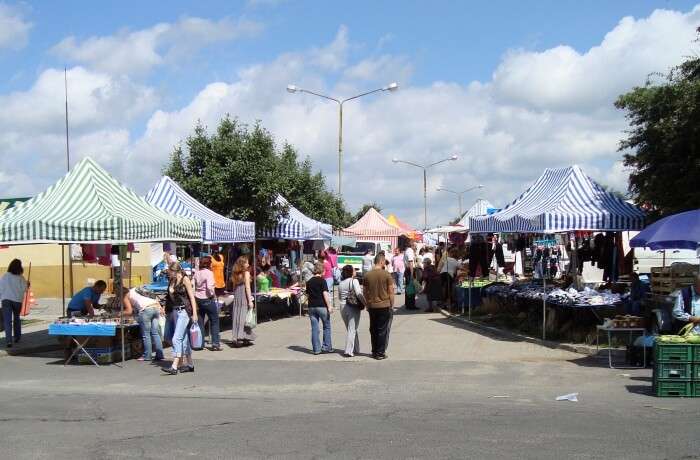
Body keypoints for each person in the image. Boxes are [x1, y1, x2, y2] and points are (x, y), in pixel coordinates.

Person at [162, 262, 198, 375]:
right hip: (175, 311)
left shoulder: (184, 279)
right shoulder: (172, 280)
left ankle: (175, 365)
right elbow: (169, 297)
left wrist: (195, 313)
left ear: (176, 271)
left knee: (176, 338)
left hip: (184, 311)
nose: (169, 273)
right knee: (183, 338)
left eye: (170, 271)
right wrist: (164, 308)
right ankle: (190, 364)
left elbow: (192, 297)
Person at [363, 253, 395, 360]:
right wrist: (392, 304)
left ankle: (374, 350)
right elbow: (391, 292)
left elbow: (365, 292)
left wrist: (367, 304)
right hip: (384, 305)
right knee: (382, 330)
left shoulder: (367, 275)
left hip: (372, 306)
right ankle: (380, 352)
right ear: (381, 262)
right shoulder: (386, 275)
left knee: (373, 329)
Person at [123, 287, 164, 362]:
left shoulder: (125, 296)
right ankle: (160, 354)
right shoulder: (135, 289)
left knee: (146, 334)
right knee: (155, 333)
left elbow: (129, 311)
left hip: (146, 310)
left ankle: (147, 355)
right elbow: (151, 294)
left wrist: (119, 313)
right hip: (155, 307)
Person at [194, 256, 221, 351]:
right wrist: (213, 295)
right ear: (208, 264)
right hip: (208, 299)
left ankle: (199, 344)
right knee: (214, 321)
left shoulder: (197, 273)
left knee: (200, 322)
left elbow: (194, 285)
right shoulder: (209, 273)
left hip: (198, 298)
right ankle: (215, 344)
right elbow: (209, 287)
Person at [306, 262, 333, 354]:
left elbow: (307, 294)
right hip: (322, 306)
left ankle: (316, 349)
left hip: (311, 306)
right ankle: (326, 347)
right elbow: (325, 294)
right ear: (322, 270)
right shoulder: (322, 281)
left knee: (314, 328)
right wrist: (329, 306)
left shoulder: (309, 281)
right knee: (326, 326)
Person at [0, 259, 28, 348]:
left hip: (6, 300)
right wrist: (27, 285)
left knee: (7, 321)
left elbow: (0, 288)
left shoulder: (5, 276)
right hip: (17, 301)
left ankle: (9, 341)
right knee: (16, 318)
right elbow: (24, 289)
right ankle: (17, 337)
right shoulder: (20, 277)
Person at [338, 265, 364, 357]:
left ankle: (356, 348)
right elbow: (359, 293)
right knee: (352, 329)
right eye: (354, 270)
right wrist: (365, 303)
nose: (355, 271)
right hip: (352, 306)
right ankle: (348, 351)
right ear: (351, 272)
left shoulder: (341, 283)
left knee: (351, 329)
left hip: (342, 306)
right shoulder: (354, 281)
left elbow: (339, 297)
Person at [230, 256, 257, 347]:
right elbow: (248, 288)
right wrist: (250, 301)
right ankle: (241, 337)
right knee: (244, 317)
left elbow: (234, 287)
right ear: (242, 264)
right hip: (243, 296)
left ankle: (239, 337)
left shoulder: (235, 273)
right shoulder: (246, 273)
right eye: (246, 263)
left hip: (237, 295)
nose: (248, 264)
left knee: (237, 316)